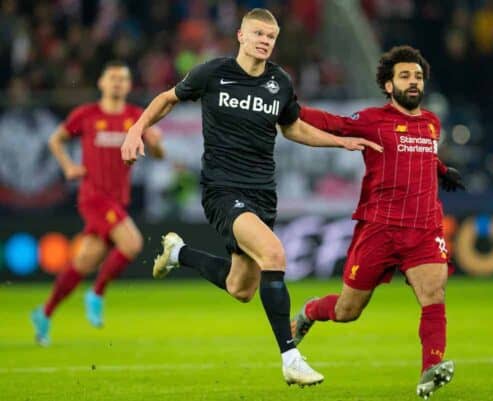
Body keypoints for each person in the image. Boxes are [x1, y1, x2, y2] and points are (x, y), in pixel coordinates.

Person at [120, 8, 381, 387]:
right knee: (274, 254)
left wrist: (339, 141)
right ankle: (290, 358)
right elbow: (167, 98)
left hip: (263, 194)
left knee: (241, 288)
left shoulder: (279, 82)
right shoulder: (213, 73)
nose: (264, 41)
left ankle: (179, 254)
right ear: (240, 35)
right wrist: (136, 130)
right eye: (257, 33)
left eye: (270, 37)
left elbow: (292, 128)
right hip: (222, 190)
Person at [289, 45, 465, 399]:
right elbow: (333, 123)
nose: (413, 82)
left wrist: (443, 171)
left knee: (434, 294)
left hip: (424, 227)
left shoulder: (432, 123)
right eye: (405, 76)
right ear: (388, 85)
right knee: (347, 310)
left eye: (417, 77)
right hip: (379, 229)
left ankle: (430, 369)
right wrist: (290, 109)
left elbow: (423, 155)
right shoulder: (372, 120)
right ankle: (309, 312)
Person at [31, 61, 165, 346]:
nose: (117, 83)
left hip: (118, 200)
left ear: (129, 86)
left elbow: (159, 155)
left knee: (84, 261)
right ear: (102, 83)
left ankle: (44, 313)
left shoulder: (135, 117)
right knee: (132, 244)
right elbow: (56, 139)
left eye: (123, 79)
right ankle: (97, 293)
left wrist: (155, 143)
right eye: (112, 78)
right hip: (93, 196)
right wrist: (68, 166)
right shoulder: (87, 114)